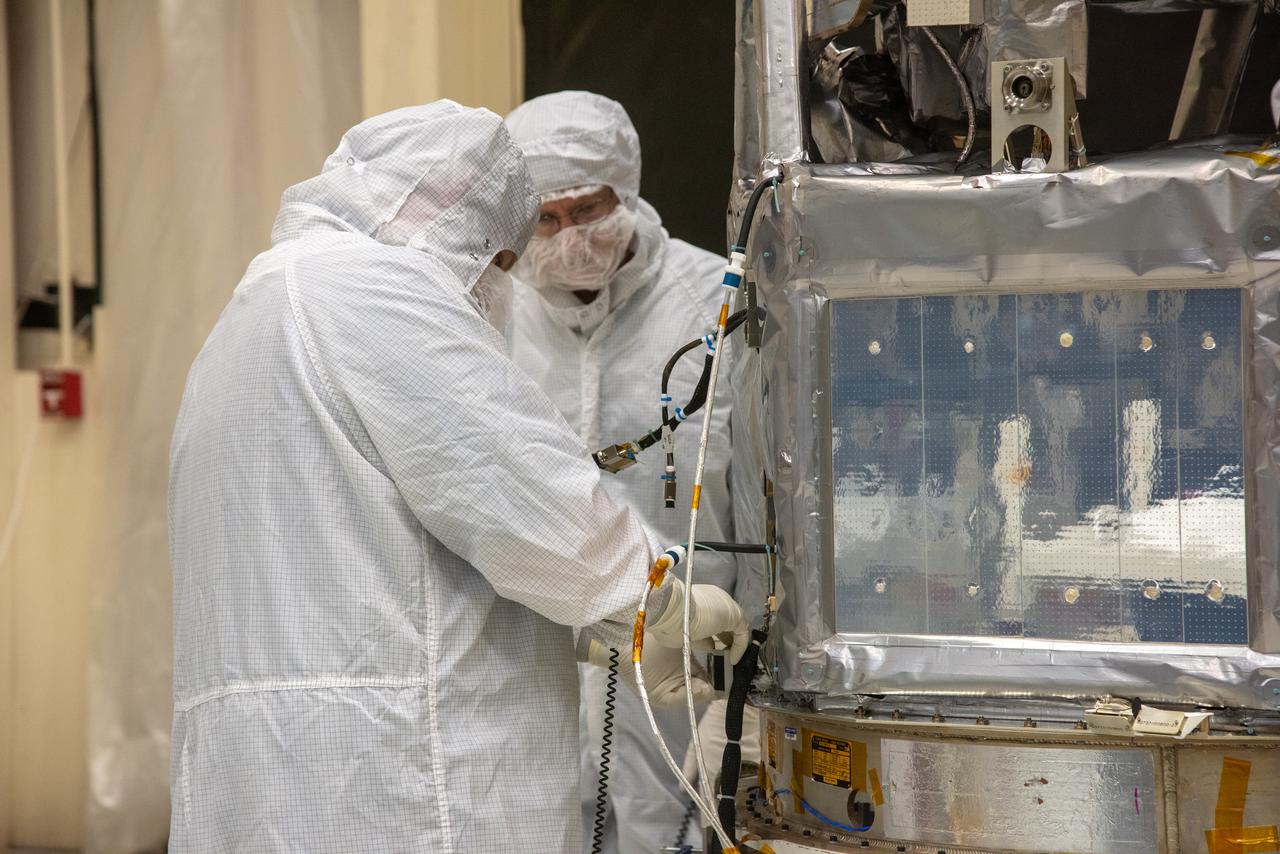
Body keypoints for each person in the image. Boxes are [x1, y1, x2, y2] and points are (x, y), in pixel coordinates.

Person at [167, 101, 747, 852]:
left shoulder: (261, 304)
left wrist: (592, 624)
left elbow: (368, 552)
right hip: (399, 779)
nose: (500, 287)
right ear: (458, 226)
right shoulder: (379, 295)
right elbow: (513, 486)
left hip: (278, 772)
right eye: (504, 261)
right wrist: (657, 598)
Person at [505, 91, 748, 854]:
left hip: (684, 651)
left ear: (628, 189)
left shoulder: (714, 304)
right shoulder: (490, 316)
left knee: (665, 826)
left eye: (588, 208)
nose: (570, 237)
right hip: (536, 650)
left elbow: (760, 486)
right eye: (546, 218)